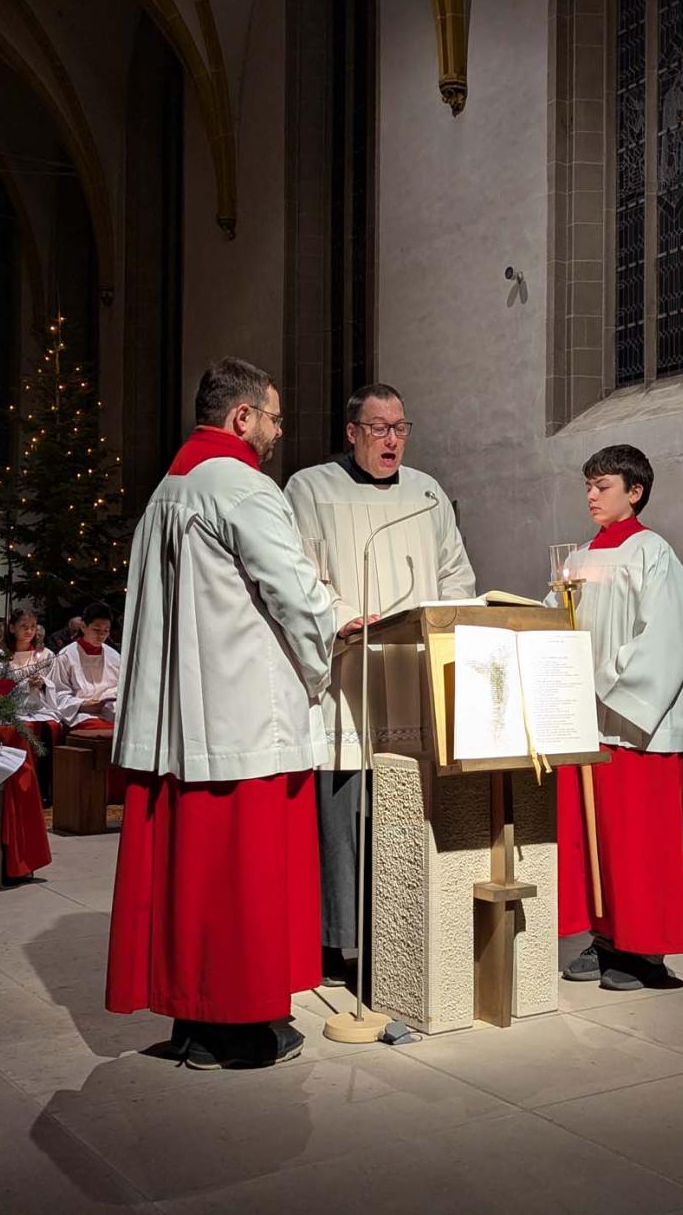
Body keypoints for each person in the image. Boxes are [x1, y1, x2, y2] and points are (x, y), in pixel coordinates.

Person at [106, 357, 336, 1071]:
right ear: (241, 419)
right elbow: (296, 596)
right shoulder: (243, 486)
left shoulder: (169, 489)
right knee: (243, 884)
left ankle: (194, 1020)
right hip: (243, 718)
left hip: (181, 723)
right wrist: (329, 640)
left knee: (192, 884)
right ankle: (236, 1028)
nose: (275, 432)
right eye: (271, 417)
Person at [285, 383, 476, 984]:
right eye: (378, 428)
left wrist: (450, 623)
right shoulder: (310, 489)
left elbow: (454, 569)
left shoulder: (427, 492)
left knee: (404, 808)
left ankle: (400, 928)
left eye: (400, 427)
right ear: (351, 431)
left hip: (413, 670)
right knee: (344, 810)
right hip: (346, 670)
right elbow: (299, 573)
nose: (391, 439)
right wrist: (340, 614)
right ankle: (339, 940)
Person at [555, 444, 683, 991]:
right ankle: (602, 937)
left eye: (603, 486)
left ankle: (645, 953)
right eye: (588, 486)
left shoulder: (653, 553)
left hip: (637, 723)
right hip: (584, 719)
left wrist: (597, 680)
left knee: (639, 841)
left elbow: (666, 639)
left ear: (634, 492)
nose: (591, 495)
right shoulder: (577, 558)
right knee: (593, 841)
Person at [0, 607, 61, 805]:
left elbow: (56, 684)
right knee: (25, 729)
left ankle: (44, 788)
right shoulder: (2, 656)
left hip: (39, 707)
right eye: (24, 626)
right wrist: (24, 684)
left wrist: (43, 684)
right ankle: (22, 787)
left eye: (32, 626)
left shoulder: (46, 654)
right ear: (12, 628)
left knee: (52, 727)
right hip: (12, 709)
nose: (29, 631)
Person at [52, 602, 120, 729]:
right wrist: (82, 704)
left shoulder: (114, 656)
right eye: (96, 630)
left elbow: (120, 688)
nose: (101, 635)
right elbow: (58, 694)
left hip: (111, 712)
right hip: (82, 715)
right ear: (83, 626)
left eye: (106, 631)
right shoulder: (66, 655)